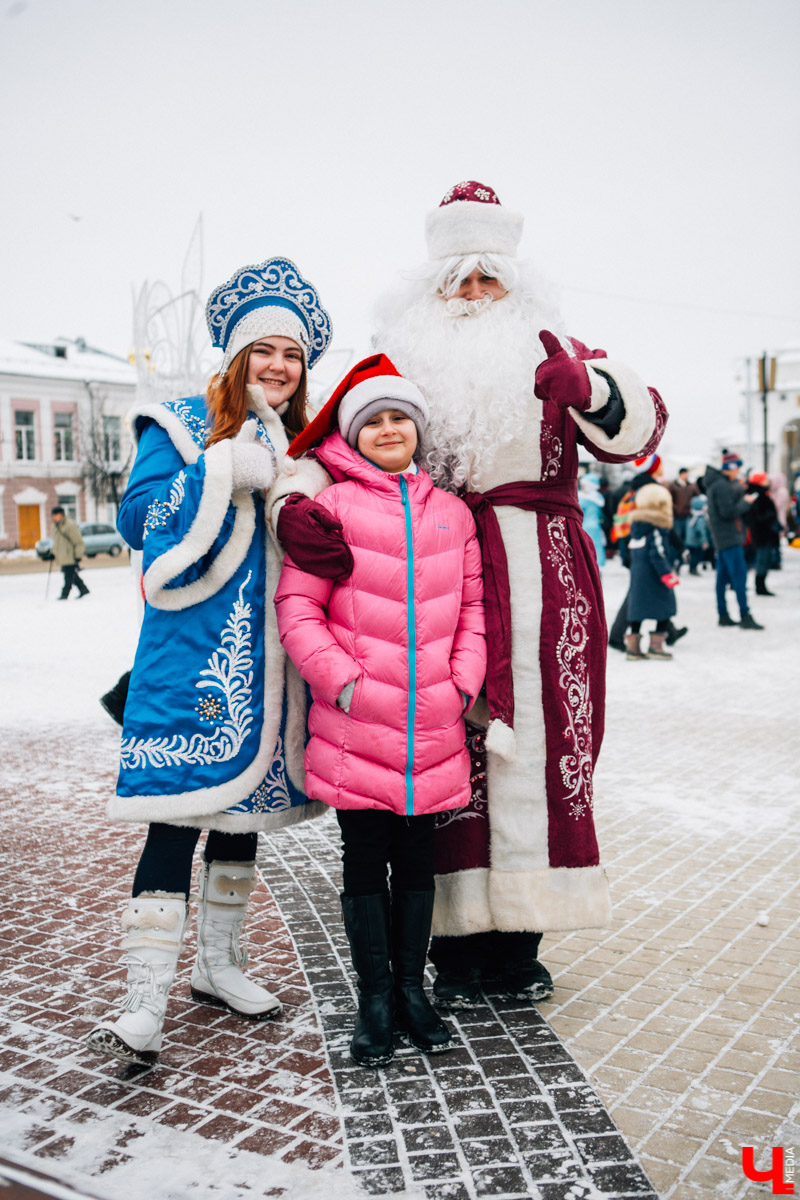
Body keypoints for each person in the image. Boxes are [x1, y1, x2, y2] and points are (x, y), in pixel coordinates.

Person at [274, 181, 667, 1007]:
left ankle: (521, 938)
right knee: (444, 750)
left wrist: (593, 388)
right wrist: (292, 504)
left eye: (490, 278)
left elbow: (642, 429)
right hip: (430, 574)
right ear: (432, 286)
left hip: (544, 576)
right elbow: (326, 444)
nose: (475, 294)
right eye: (460, 279)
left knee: (545, 745)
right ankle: (452, 945)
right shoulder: (397, 361)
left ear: (515, 283)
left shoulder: (558, 346)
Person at [87, 257, 333, 1066]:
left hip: (274, 673)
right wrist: (223, 471)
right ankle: (143, 1001)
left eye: (291, 355)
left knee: (240, 822)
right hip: (193, 662)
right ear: (234, 355)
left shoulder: (305, 439)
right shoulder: (182, 422)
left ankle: (220, 966)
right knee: (174, 820)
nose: (278, 366)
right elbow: (138, 514)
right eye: (263, 350)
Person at [275, 355, 486, 1068]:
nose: (389, 429)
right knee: (365, 860)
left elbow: (476, 612)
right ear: (353, 434)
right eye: (374, 421)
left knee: (419, 860)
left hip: (432, 722)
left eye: (400, 418)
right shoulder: (329, 509)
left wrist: (461, 684)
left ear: (417, 431)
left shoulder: (453, 515)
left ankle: (412, 993)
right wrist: (343, 685)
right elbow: (298, 607)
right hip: (356, 724)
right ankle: (374, 998)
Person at [702, 452, 763, 630]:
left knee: (722, 578)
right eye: (737, 467)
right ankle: (744, 615)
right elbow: (728, 512)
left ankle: (723, 614)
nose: (739, 471)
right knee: (739, 576)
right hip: (729, 537)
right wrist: (746, 501)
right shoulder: (721, 486)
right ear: (730, 468)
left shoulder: (718, 484)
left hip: (722, 537)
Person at [624, 484, 680, 660]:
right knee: (665, 607)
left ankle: (633, 648)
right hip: (655, 576)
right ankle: (656, 647)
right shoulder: (656, 529)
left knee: (638, 610)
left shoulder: (637, 529)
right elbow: (658, 553)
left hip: (638, 576)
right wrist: (667, 574)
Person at [745, 471, 780, 596]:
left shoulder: (761, 495)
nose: (767, 482)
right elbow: (757, 517)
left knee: (764, 560)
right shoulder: (758, 496)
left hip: (765, 534)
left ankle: (761, 586)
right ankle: (760, 586)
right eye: (765, 480)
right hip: (762, 534)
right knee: (762, 560)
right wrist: (770, 518)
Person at [50, 506, 90, 599]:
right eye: (54, 515)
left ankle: (65, 594)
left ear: (62, 515)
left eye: (57, 515)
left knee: (68, 576)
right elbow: (57, 542)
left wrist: (78, 555)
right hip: (63, 556)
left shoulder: (70, 525)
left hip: (70, 555)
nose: (55, 517)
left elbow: (78, 541)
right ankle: (83, 589)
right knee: (72, 575)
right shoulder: (55, 526)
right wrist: (53, 553)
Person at [666, 467, 699, 559]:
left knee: (688, 539)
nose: (686, 476)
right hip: (677, 517)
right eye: (684, 474)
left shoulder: (691, 486)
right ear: (680, 474)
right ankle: (674, 560)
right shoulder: (673, 485)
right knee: (677, 539)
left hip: (688, 516)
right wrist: (675, 508)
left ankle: (683, 561)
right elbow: (668, 498)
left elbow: (697, 497)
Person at [578, 471, 606, 567]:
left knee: (586, 548)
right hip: (595, 525)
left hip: (584, 525)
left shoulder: (583, 498)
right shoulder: (597, 497)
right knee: (595, 548)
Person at [684, 493, 713, 574]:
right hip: (696, 541)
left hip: (690, 540)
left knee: (692, 554)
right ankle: (692, 568)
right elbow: (701, 531)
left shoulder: (692, 515)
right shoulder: (700, 518)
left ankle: (690, 567)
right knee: (697, 555)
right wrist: (704, 541)